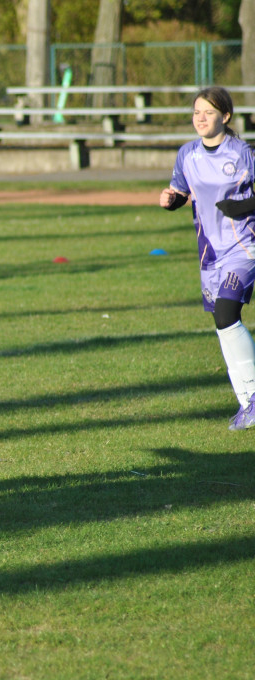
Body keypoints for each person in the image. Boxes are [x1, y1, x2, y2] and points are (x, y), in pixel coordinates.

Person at [160, 86, 255, 430]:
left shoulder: (243, 153)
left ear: (225, 117)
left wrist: (241, 207)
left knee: (227, 313)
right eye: (197, 112)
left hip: (243, 247)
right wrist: (171, 200)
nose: (200, 118)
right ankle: (247, 402)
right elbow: (182, 192)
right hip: (210, 254)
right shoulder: (187, 154)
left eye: (209, 112)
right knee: (223, 324)